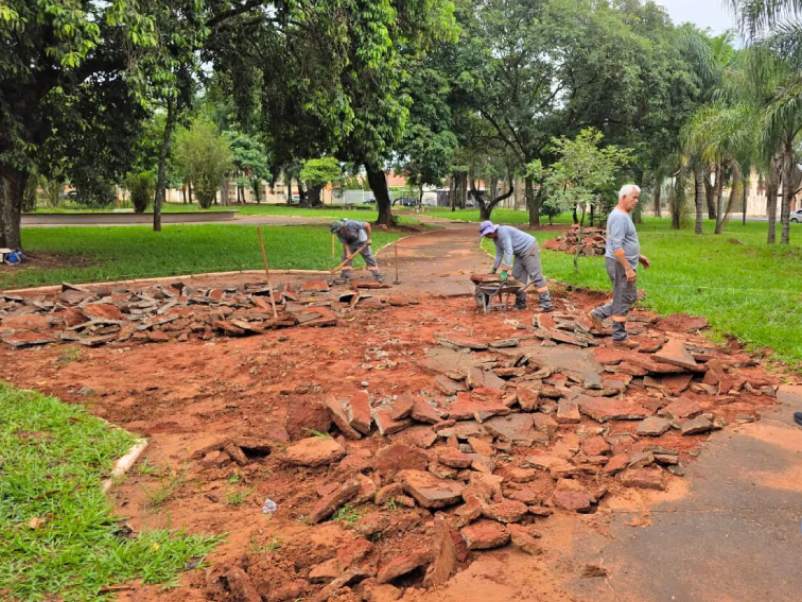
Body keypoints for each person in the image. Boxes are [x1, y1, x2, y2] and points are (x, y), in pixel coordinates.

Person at [589, 184, 650, 345]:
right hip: (620, 264)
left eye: (638, 198)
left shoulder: (624, 214)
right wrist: (628, 268)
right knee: (624, 297)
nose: (636, 201)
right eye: (634, 197)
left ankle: (599, 314)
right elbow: (616, 246)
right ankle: (619, 337)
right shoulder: (619, 217)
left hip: (623, 262)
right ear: (623, 197)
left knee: (628, 296)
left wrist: (638, 256)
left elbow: (622, 241)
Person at [479, 220, 553, 312]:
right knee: (517, 278)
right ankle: (520, 303)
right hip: (519, 253)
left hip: (529, 248)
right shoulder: (495, 239)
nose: (487, 237)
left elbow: (508, 251)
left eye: (487, 235)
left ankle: (546, 304)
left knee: (535, 275)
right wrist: (493, 270)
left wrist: (505, 270)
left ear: (492, 231)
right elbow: (499, 254)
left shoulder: (503, 232)